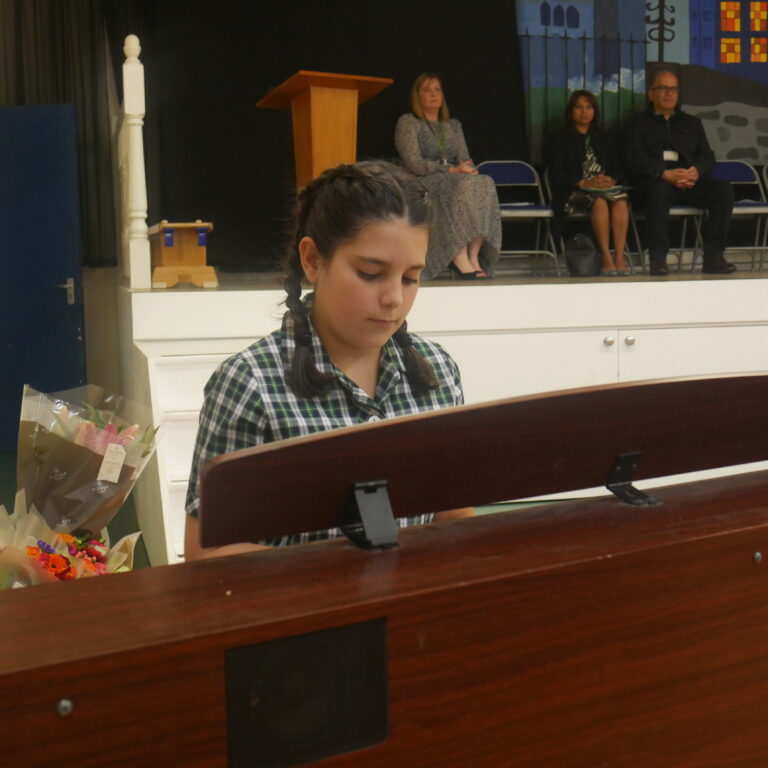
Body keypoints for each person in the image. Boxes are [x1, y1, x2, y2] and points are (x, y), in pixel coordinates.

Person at [184, 161, 472, 561]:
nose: (393, 298)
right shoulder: (251, 382)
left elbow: (453, 513)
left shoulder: (437, 370)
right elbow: (207, 551)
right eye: (371, 273)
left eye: (410, 278)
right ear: (313, 261)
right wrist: (345, 580)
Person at [623, 67, 735, 276]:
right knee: (658, 190)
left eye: (673, 89)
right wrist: (663, 173)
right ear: (651, 93)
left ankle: (713, 257)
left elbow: (707, 156)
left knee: (722, 190)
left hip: (688, 182)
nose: (669, 94)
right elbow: (633, 157)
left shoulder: (692, 123)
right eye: (663, 88)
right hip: (655, 182)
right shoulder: (637, 123)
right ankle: (658, 259)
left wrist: (696, 171)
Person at [394, 73, 501, 280]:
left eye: (437, 89)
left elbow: (465, 158)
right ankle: (458, 255)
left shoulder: (453, 125)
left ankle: (474, 256)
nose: (433, 95)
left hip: (455, 178)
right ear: (417, 96)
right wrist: (451, 171)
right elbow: (413, 163)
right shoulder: (409, 122)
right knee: (457, 184)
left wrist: (470, 170)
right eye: (427, 90)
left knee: (484, 182)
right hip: (422, 179)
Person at [547, 90, 630, 276]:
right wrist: (583, 183)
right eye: (579, 107)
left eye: (589, 107)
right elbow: (557, 175)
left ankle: (619, 257)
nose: (584, 111)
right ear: (571, 111)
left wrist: (611, 179)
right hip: (576, 191)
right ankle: (606, 257)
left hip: (605, 187)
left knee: (621, 201)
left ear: (595, 111)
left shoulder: (605, 137)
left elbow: (618, 167)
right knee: (599, 202)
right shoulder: (560, 139)